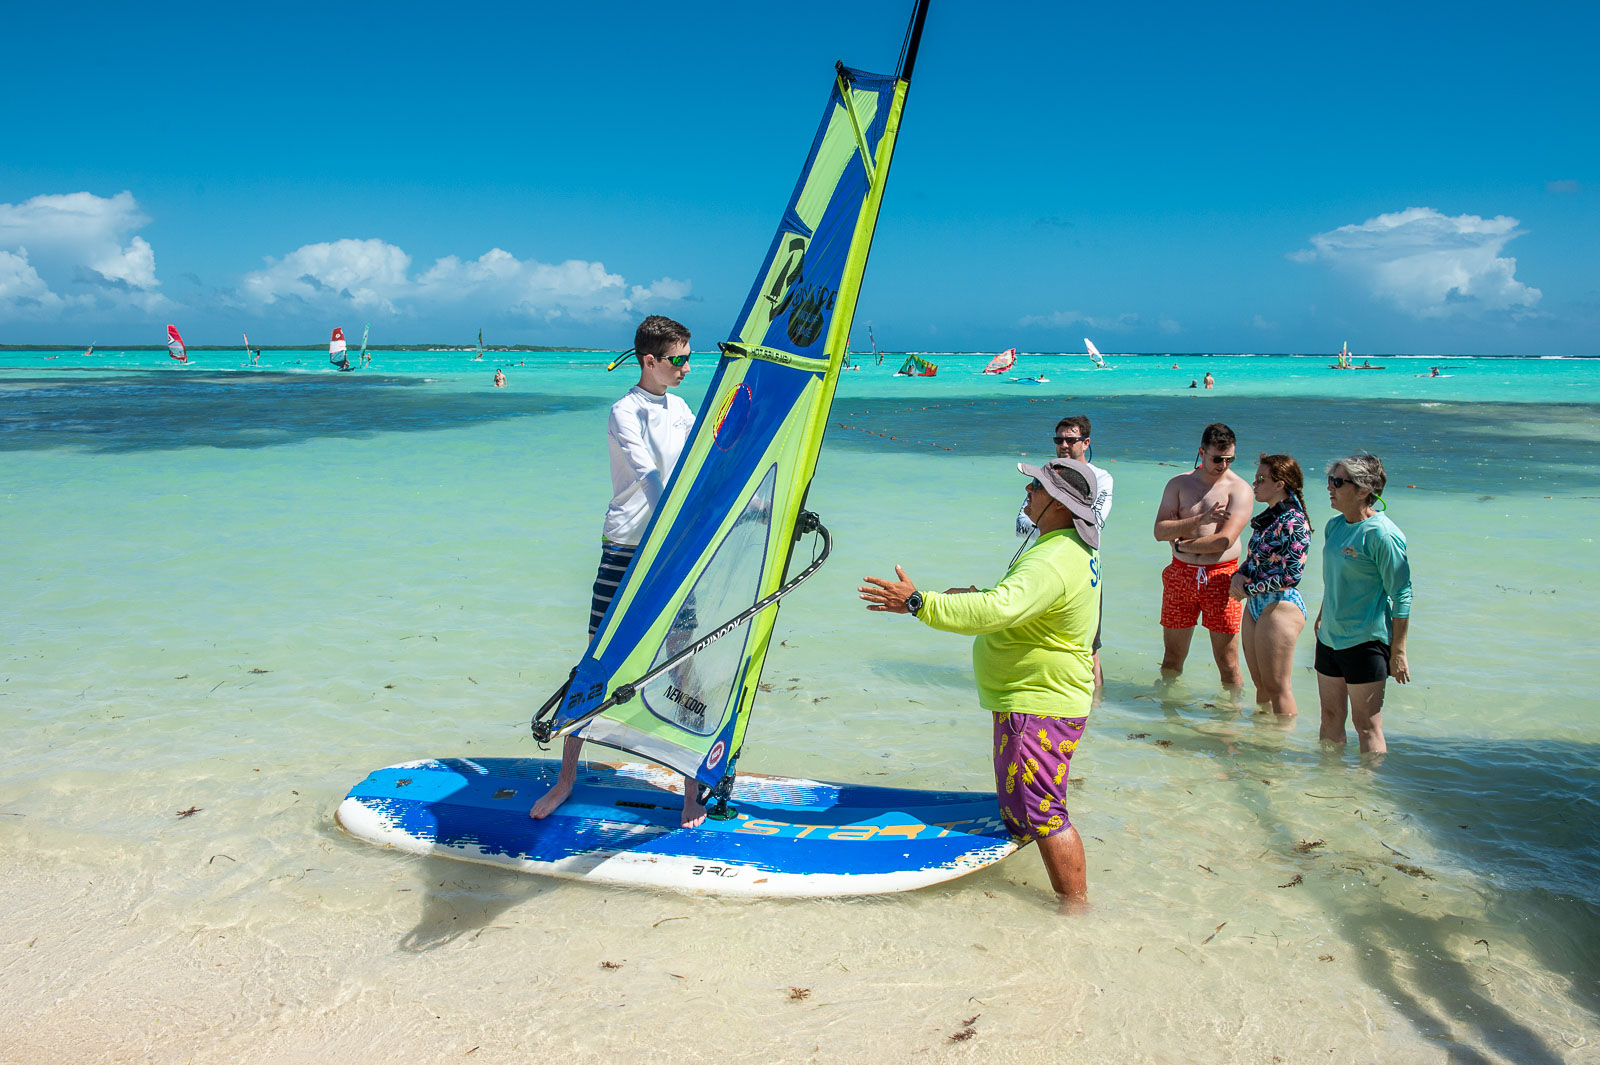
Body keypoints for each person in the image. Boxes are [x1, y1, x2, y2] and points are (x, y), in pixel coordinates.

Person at [861, 458, 1101, 904]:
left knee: (1045, 813)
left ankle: (1075, 910)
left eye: (1036, 487)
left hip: (1038, 703)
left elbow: (999, 611)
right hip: (1040, 699)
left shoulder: (1053, 558)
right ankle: (1024, 886)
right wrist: (977, 599)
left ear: (1061, 503)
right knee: (1024, 804)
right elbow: (1019, 608)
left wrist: (918, 602)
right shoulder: (1068, 547)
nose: (1027, 492)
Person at [530, 316, 703, 825]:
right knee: (597, 660)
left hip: (672, 551)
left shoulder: (683, 408)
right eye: (678, 359)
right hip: (628, 546)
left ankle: (691, 787)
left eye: (689, 357)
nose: (686, 366)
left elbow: (700, 466)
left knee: (684, 660)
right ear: (649, 360)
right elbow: (648, 473)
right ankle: (565, 781)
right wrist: (669, 523)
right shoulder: (623, 411)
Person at [1314, 453, 1412, 754]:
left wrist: (1398, 651)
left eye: (1339, 482)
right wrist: (1321, 616)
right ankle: (1329, 784)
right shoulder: (1334, 526)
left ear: (1364, 490)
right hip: (1329, 638)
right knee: (1330, 718)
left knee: (1365, 724)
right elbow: (1333, 580)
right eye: (1331, 480)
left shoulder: (1382, 534)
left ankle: (1367, 794)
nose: (1330, 487)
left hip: (1365, 641)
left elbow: (1402, 594)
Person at [1152, 423, 1253, 688]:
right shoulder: (1179, 484)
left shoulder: (1239, 489)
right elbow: (1160, 531)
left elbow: (1223, 540)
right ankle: (1167, 715)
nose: (1223, 465)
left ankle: (1231, 719)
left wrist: (1182, 544)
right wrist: (1201, 519)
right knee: (1172, 658)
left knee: (1227, 662)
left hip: (1222, 578)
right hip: (1180, 575)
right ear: (1202, 452)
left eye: (1230, 459)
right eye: (1217, 459)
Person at [1017, 416, 1113, 689]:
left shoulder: (1101, 477)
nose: (1064, 445)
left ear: (1086, 443)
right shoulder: (1046, 476)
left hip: (1081, 561)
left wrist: (1048, 522)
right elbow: (1021, 523)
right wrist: (1053, 520)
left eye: (1071, 440)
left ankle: (1096, 706)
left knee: (1090, 646)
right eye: (1058, 440)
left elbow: (1095, 521)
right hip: (1043, 559)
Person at [1228, 454, 1313, 716]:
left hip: (1281, 605)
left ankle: (1281, 748)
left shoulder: (1295, 521)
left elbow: (1291, 576)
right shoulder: (1270, 517)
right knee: (1261, 686)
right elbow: (1255, 560)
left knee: (1278, 687)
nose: (1254, 484)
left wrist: (1247, 589)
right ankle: (1263, 742)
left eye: (1261, 479)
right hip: (1256, 605)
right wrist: (1238, 575)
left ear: (1280, 484)